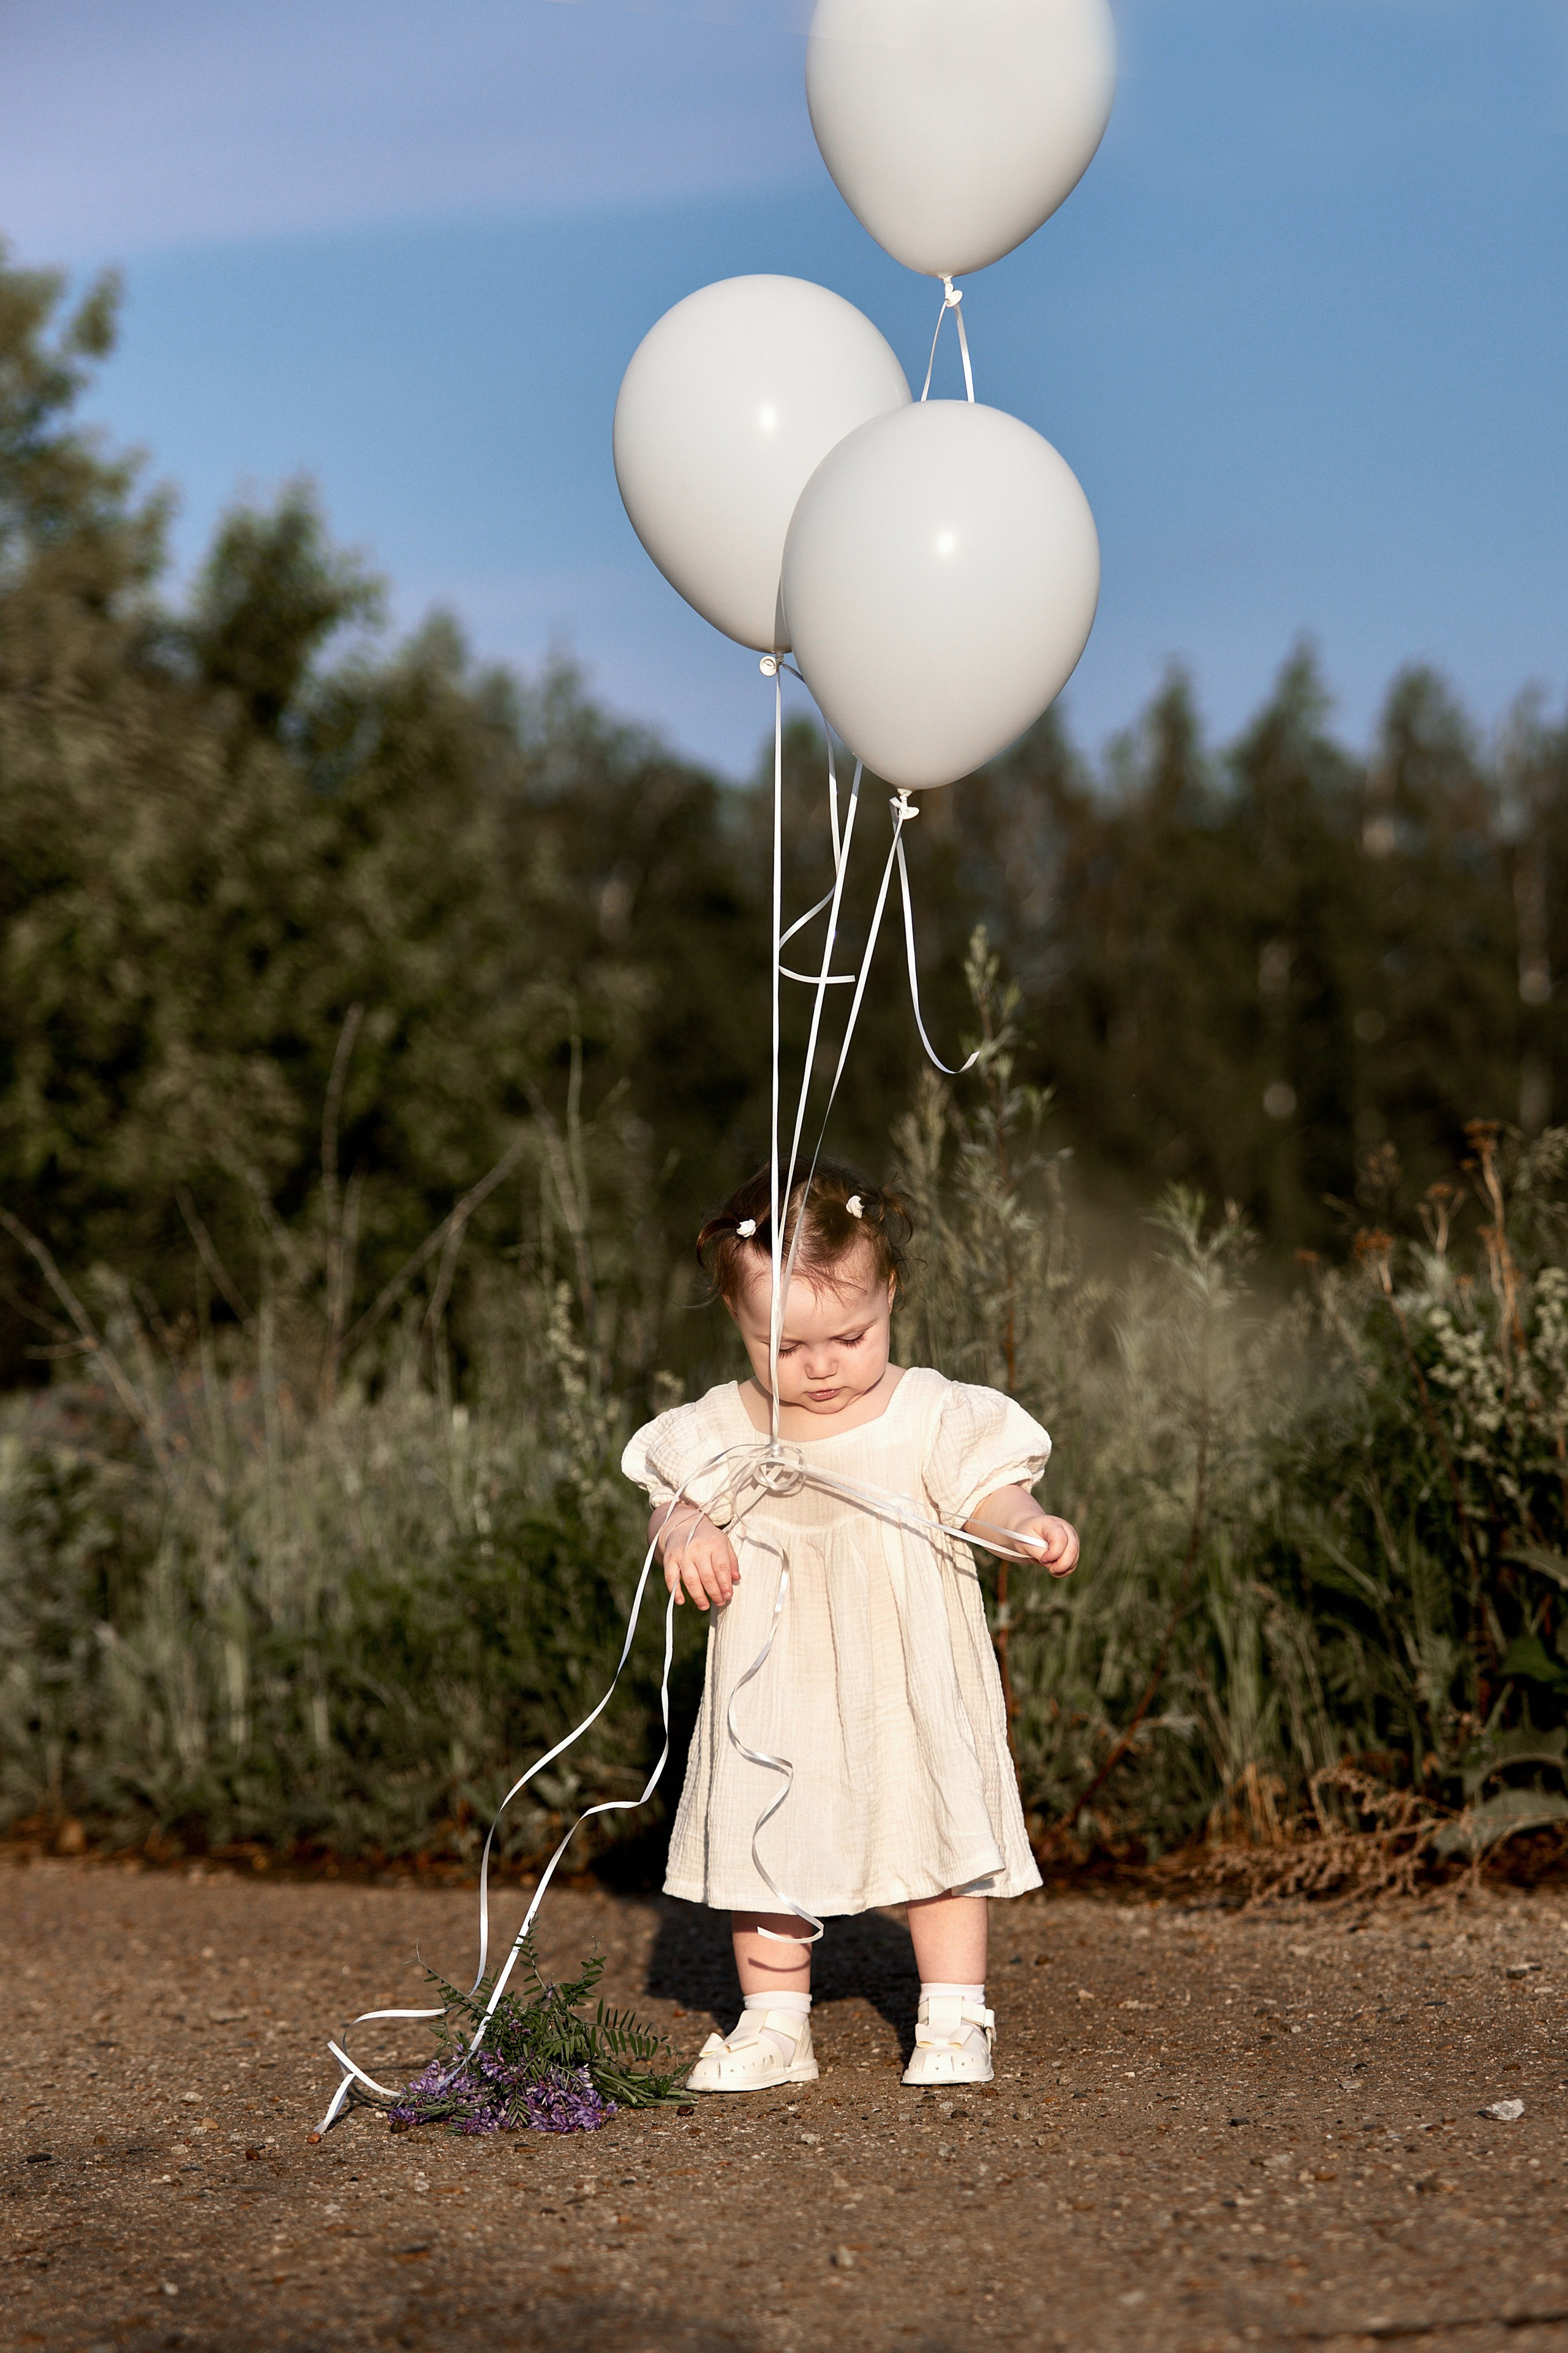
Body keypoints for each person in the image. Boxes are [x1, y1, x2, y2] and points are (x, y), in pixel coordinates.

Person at [620, 1159, 1079, 2094]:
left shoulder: (926, 1413)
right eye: (783, 1347)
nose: (821, 1366)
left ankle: (953, 2012)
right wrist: (688, 1528)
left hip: (902, 1667)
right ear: (741, 1326)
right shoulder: (726, 1425)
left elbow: (986, 1488)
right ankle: (775, 2020)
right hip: (775, 1679)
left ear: (890, 1297)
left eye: (850, 1335)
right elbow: (668, 1497)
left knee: (937, 1824)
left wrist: (1023, 1525)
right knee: (762, 1831)